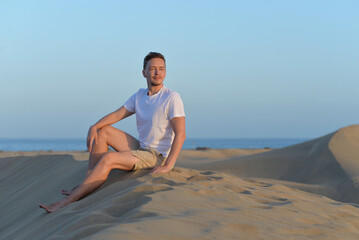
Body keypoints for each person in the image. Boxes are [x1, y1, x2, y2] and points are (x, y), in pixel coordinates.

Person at [39, 52, 186, 213]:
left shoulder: (172, 97)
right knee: (103, 131)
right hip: (142, 148)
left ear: (165, 72)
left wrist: (168, 166)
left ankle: (66, 202)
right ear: (144, 73)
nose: (157, 73)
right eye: (152, 69)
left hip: (157, 156)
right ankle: (86, 182)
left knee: (108, 158)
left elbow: (181, 134)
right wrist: (94, 126)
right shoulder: (139, 96)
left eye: (161, 69)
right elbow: (117, 115)